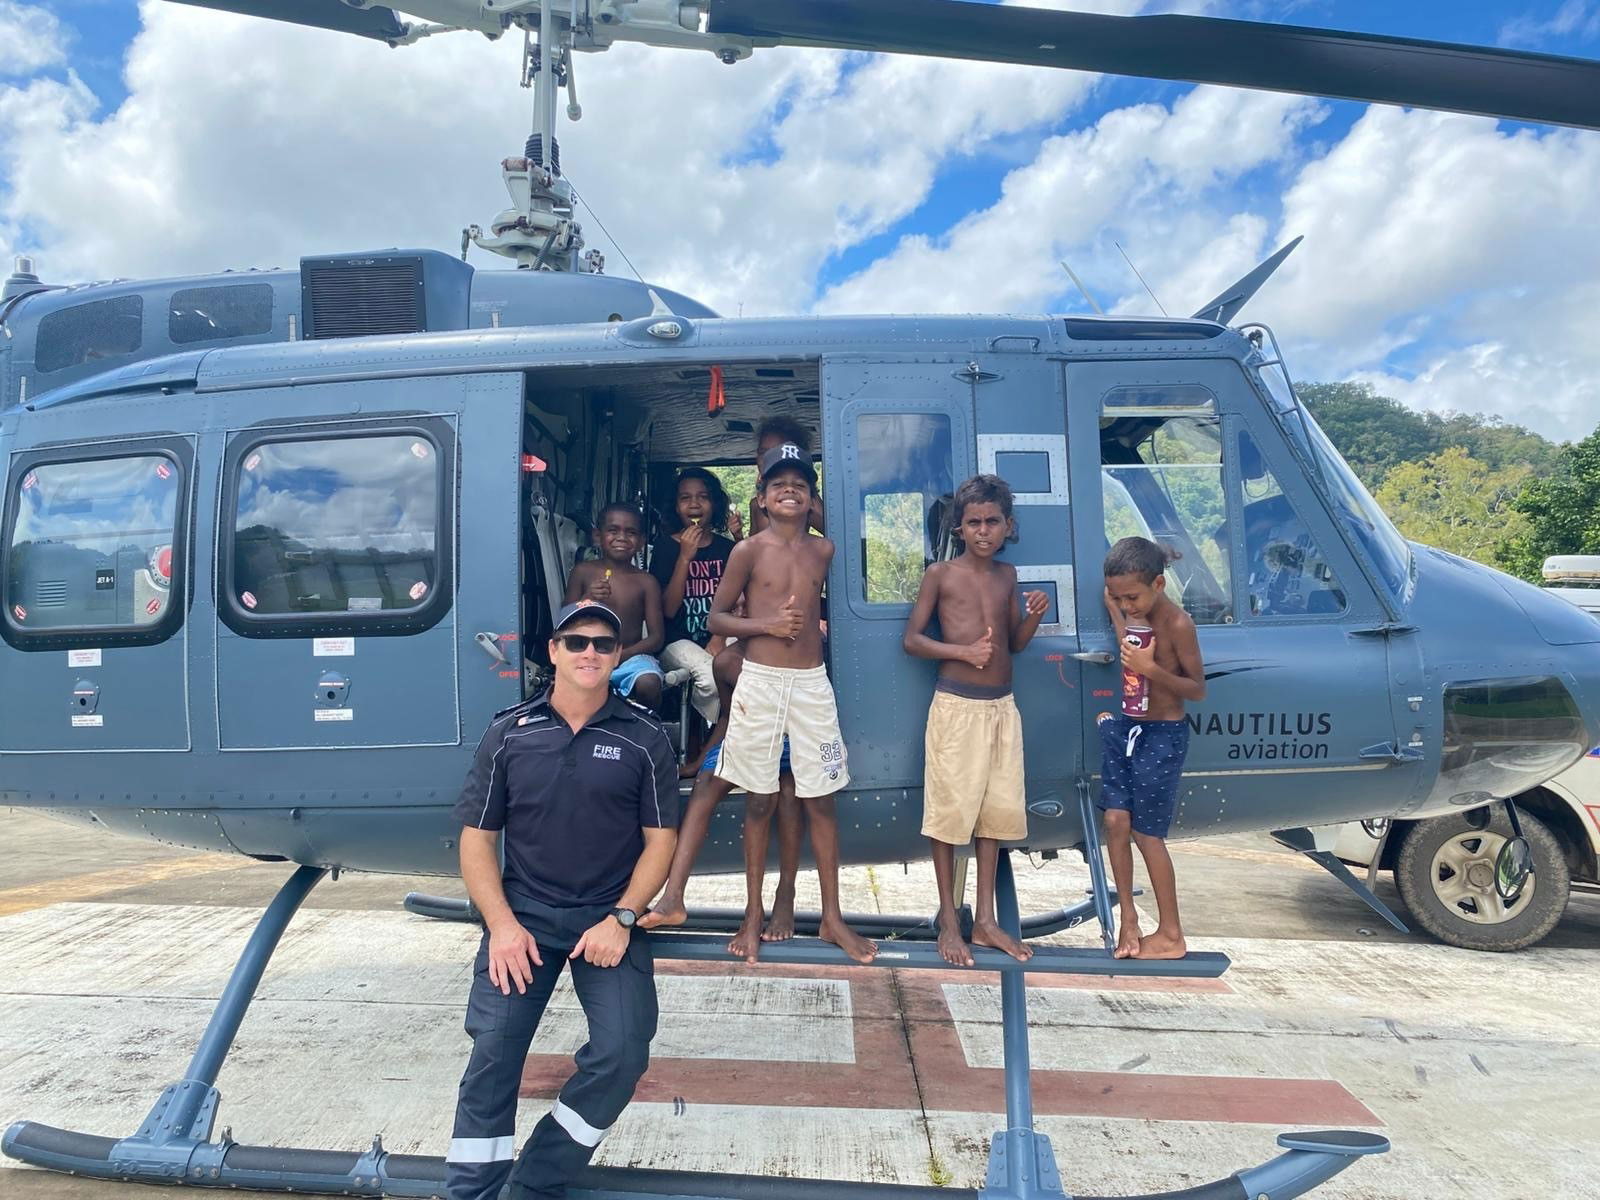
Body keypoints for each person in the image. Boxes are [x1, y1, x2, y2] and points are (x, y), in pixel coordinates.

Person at [445, 601, 680, 1200]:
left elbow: (661, 842)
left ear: (618, 655)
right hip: (524, 920)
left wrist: (622, 917)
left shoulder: (645, 737)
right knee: (494, 1055)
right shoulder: (510, 733)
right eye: (576, 642)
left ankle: (535, 1183)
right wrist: (501, 926)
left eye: (603, 644)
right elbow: (476, 841)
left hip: (606, 922)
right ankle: (472, 1192)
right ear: (553, 651)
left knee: (622, 1054)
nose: (589, 653)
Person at [642, 444, 875, 964]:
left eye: (801, 485)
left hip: (811, 685)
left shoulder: (824, 551)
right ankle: (752, 915)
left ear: (812, 499)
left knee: (821, 798)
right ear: (762, 498)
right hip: (761, 682)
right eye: (778, 485)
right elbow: (716, 619)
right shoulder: (747, 550)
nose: (790, 490)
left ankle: (833, 917)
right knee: (758, 798)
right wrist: (767, 625)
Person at [902, 474, 1048, 967]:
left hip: (1002, 708)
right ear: (958, 528)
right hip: (957, 709)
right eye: (974, 523)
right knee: (948, 817)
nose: (983, 531)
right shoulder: (941, 575)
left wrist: (1033, 616)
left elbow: (1014, 644)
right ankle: (949, 919)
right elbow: (912, 640)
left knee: (994, 815)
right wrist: (962, 652)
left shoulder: (1007, 575)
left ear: (1008, 525)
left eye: (992, 521)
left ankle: (984, 919)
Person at [1099, 536, 1206, 960]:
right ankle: (1128, 918)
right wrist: (1116, 611)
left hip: (1163, 733)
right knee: (1115, 820)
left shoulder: (1178, 624)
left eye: (1133, 597)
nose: (1127, 605)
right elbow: (1126, 633)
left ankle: (1172, 934)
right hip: (1128, 727)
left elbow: (1196, 689)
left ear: (1158, 584)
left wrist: (1150, 669)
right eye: (1118, 598)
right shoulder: (1129, 609)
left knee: (1147, 833)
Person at [649, 468, 739, 734]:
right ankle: (714, 736)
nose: (694, 504)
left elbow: (738, 601)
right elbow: (668, 609)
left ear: (715, 504)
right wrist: (685, 557)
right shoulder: (665, 546)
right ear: (676, 507)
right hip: (677, 639)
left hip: (721, 634)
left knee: (748, 670)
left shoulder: (726, 549)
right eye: (685, 498)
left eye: (703, 497)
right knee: (710, 679)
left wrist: (719, 637)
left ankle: (722, 738)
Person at [566, 503, 665, 709]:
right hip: (588, 654)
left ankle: (645, 727)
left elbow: (656, 638)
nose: (622, 538)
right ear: (597, 536)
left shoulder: (646, 582)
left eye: (631, 532)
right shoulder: (582, 572)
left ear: (641, 541)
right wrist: (587, 597)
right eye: (613, 530)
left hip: (631, 658)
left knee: (649, 682)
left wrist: (620, 655)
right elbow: (564, 622)